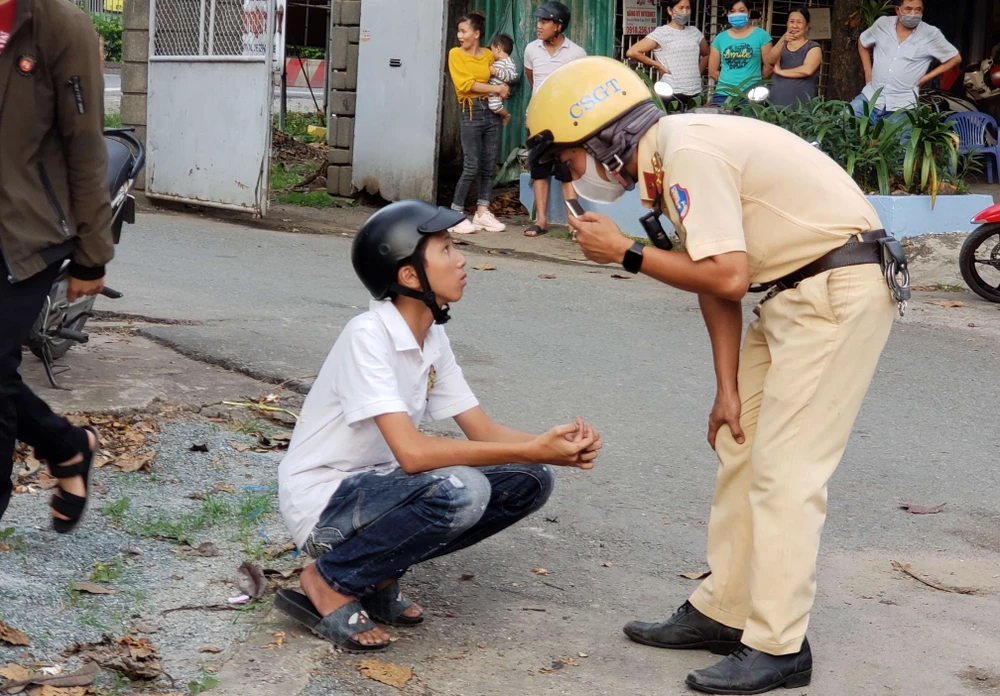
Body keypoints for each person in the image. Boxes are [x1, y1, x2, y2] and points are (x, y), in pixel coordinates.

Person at [526, 57, 904, 694]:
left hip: (835, 290)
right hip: (792, 294)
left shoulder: (688, 152)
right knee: (740, 444)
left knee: (786, 474)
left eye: (566, 160)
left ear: (601, 138)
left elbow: (727, 276)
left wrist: (626, 253)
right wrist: (726, 389)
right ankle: (725, 610)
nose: (571, 175)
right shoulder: (669, 158)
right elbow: (715, 277)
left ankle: (780, 646)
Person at [275, 199, 602, 652]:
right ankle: (330, 579)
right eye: (446, 249)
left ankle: (376, 575)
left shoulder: (431, 335)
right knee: (460, 491)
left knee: (529, 479)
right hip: (327, 501)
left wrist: (550, 449)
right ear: (410, 276)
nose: (461, 259)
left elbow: (483, 431)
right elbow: (412, 454)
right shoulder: (368, 335)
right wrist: (533, 448)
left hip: (379, 490)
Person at [0, 0, 111, 532]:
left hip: (27, 232)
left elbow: (85, 145)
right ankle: (66, 446)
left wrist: (93, 252)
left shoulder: (61, 26)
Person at [523, 1, 585, 238]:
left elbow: (579, 85)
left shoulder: (576, 53)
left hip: (565, 120)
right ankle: (541, 220)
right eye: (539, 21)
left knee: (567, 171)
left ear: (558, 26)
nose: (539, 26)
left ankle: (573, 223)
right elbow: (532, 78)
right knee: (539, 170)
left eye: (544, 21)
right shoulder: (531, 49)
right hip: (538, 119)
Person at [446, 11, 507, 234]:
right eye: (459, 32)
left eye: (464, 31)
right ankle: (455, 214)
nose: (460, 36)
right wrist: (497, 89)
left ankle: (482, 213)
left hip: (490, 112)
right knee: (471, 166)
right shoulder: (455, 54)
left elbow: (501, 74)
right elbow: (465, 85)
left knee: (489, 166)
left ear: (476, 34)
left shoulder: (489, 55)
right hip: (470, 111)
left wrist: (504, 87)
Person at [852, 0, 961, 124]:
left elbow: (954, 58)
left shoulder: (930, 34)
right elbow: (863, 41)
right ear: (898, 10)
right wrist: (868, 72)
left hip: (902, 107)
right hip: (870, 97)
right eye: (908, 9)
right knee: (841, 124)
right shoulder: (883, 24)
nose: (913, 14)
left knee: (900, 137)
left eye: (918, 10)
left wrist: (926, 78)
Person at [626, 0, 709, 106]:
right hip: (671, 91)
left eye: (687, 8)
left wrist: (698, 72)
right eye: (681, 8)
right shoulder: (661, 33)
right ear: (670, 10)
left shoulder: (695, 32)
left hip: (695, 90)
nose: (685, 12)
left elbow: (706, 54)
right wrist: (658, 65)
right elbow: (632, 52)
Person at [709, 1, 773, 107]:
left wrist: (754, 82)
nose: (737, 14)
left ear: (749, 12)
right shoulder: (720, 38)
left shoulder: (762, 36)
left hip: (752, 95)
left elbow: (769, 67)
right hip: (723, 94)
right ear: (728, 14)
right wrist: (729, 83)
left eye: (741, 11)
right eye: (732, 11)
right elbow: (712, 71)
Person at [765, 7, 822, 108]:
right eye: (791, 21)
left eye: (799, 22)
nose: (795, 26)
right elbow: (770, 60)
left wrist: (780, 72)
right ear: (787, 24)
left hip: (801, 105)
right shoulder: (781, 45)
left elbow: (807, 70)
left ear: (807, 26)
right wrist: (782, 40)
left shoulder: (813, 47)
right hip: (776, 102)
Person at [487, 34, 518, 127]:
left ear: (498, 49)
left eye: (492, 50)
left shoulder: (508, 61)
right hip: (492, 90)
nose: (491, 53)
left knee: (494, 106)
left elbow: (510, 75)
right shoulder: (496, 62)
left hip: (496, 92)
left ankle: (506, 115)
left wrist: (496, 72)